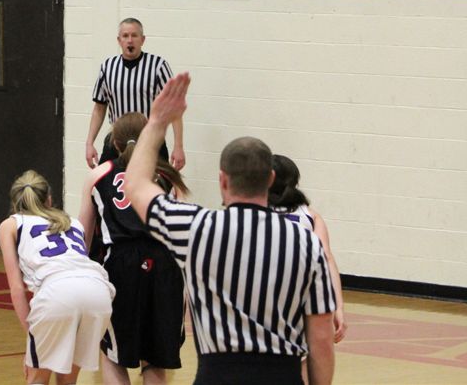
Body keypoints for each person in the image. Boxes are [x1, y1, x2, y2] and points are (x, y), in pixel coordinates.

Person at [123, 73, 336, 385]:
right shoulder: (306, 242)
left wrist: (157, 122)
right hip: (284, 376)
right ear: (270, 180)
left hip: (218, 376)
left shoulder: (196, 229)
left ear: (222, 180)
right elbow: (322, 338)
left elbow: (135, 185)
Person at [79, 112, 188, 385]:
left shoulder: (98, 175)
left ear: (114, 143)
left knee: (113, 356)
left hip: (120, 265)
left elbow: (83, 237)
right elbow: (181, 231)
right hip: (164, 265)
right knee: (155, 359)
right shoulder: (169, 176)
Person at [0, 170, 114, 385]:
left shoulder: (10, 225)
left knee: (37, 379)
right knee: (68, 381)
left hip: (58, 292)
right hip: (98, 292)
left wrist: (32, 337)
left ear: (16, 201)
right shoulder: (72, 222)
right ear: (49, 199)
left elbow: (17, 289)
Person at [268, 154, 347, 347]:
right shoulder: (310, 215)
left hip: (261, 294)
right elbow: (327, 258)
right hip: (299, 295)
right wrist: (338, 306)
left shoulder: (253, 212)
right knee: (300, 354)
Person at [85, 18, 183, 169]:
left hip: (150, 139)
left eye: (134, 35)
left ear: (142, 40)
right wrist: (89, 143)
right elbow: (99, 108)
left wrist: (178, 146)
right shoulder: (107, 67)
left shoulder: (158, 66)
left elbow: (173, 109)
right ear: (119, 40)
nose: (130, 40)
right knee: (103, 180)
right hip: (117, 140)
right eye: (125, 36)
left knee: (158, 182)